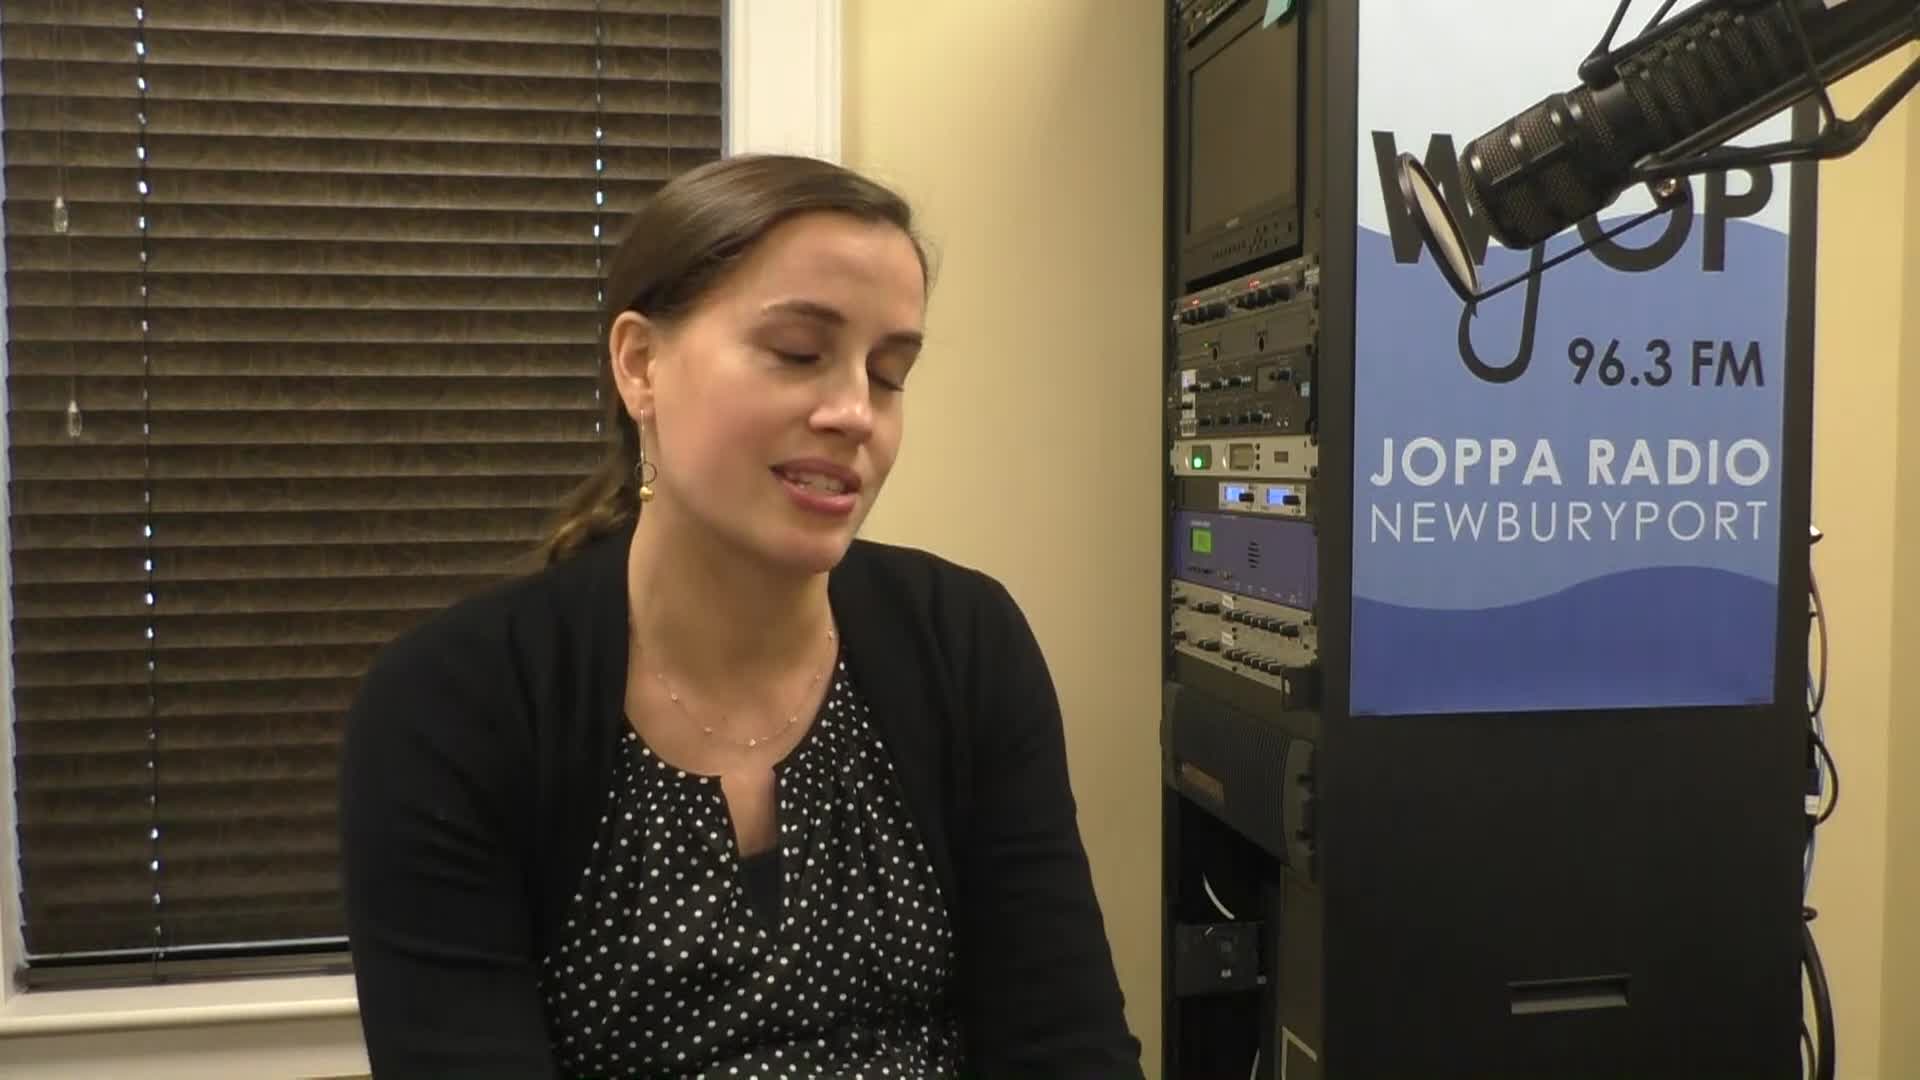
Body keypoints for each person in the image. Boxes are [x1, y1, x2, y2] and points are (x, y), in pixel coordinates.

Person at [338, 152, 1145, 1078]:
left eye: (889, 374)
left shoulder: (964, 642)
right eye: (798, 353)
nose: (856, 413)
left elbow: (1065, 1042)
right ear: (640, 364)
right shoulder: (454, 706)